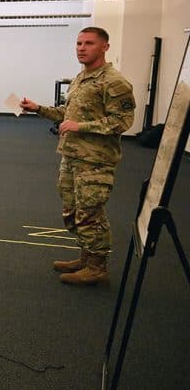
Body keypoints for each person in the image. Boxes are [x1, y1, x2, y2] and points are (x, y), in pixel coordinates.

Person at [20, 26, 136, 286]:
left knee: (90, 213)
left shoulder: (113, 81)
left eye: (89, 43)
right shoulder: (81, 78)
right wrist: (37, 108)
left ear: (105, 47)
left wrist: (81, 127)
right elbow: (67, 115)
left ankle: (97, 267)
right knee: (72, 212)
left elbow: (123, 121)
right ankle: (86, 257)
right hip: (72, 156)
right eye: (79, 43)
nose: (82, 48)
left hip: (95, 161)